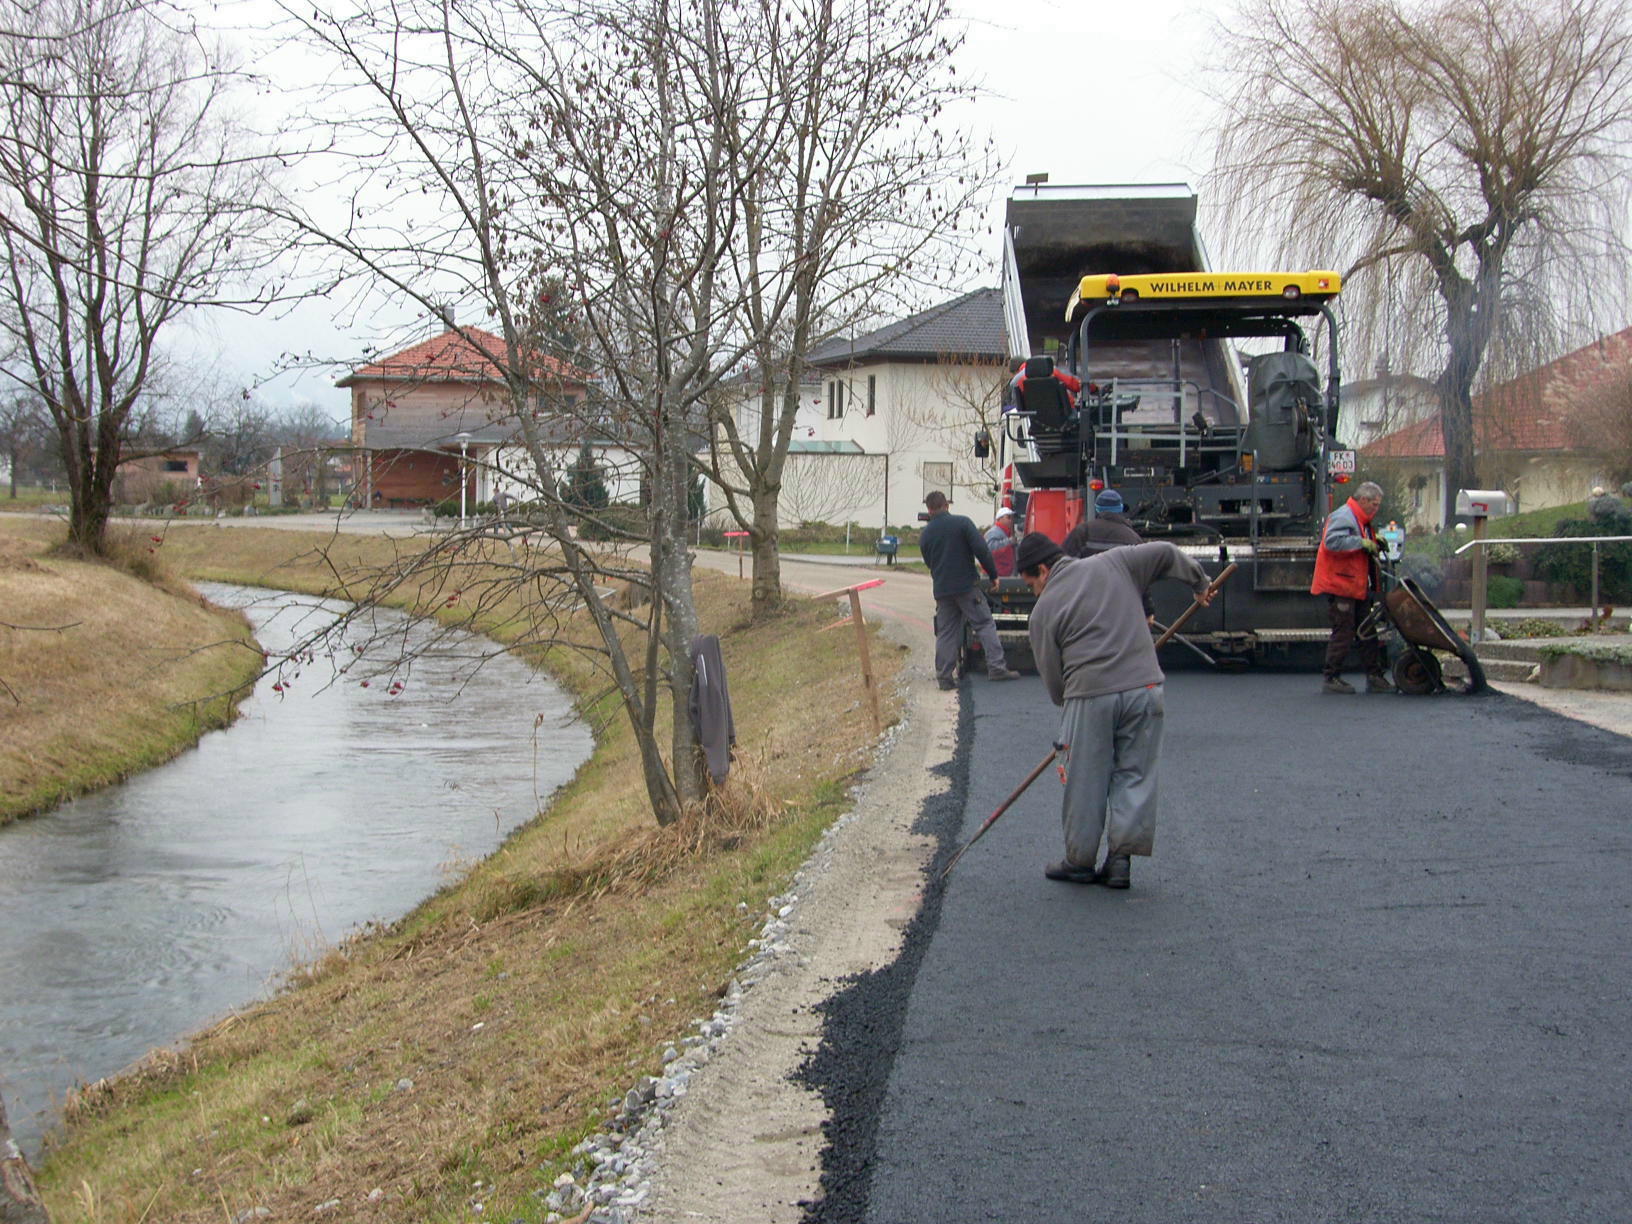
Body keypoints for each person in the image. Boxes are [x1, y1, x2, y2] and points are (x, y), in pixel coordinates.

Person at [1016, 530, 1212, 890]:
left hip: (1090, 696)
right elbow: (1167, 552)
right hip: (1145, 689)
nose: (1034, 593)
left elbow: (1054, 680)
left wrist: (1070, 707)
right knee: (1134, 773)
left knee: (1086, 780)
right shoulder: (1117, 562)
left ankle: (1079, 861)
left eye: (1031, 584)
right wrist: (1199, 583)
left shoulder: (1043, 612)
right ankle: (1120, 862)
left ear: (1043, 570)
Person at [919, 490, 1020, 689]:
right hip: (966, 586)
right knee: (984, 623)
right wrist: (993, 576)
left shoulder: (925, 535)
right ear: (946, 505)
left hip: (942, 590)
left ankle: (944, 677)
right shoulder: (962, 523)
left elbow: (929, 562)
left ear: (929, 510)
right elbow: (982, 550)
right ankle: (997, 668)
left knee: (946, 632)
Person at [1312, 480, 1394, 695]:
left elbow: (1355, 538)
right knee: (1344, 633)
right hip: (1341, 585)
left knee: (1367, 631)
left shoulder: (1359, 518)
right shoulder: (1344, 516)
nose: (1376, 509)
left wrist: (1374, 540)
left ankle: (1374, 676)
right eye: (1374, 504)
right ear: (1364, 500)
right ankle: (1331, 678)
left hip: (1354, 585)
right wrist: (1362, 543)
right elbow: (1332, 542)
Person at [1062, 487, 1141, 557]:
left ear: (1097, 508)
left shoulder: (1082, 532)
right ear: (1120, 508)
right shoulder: (1132, 537)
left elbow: (1065, 561)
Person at [984, 507, 1019, 577]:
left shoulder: (1006, 533)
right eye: (1008, 517)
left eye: (1012, 518)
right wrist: (1009, 541)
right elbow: (990, 550)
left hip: (1004, 574)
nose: (1011, 520)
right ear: (1000, 519)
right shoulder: (993, 532)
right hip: (996, 575)